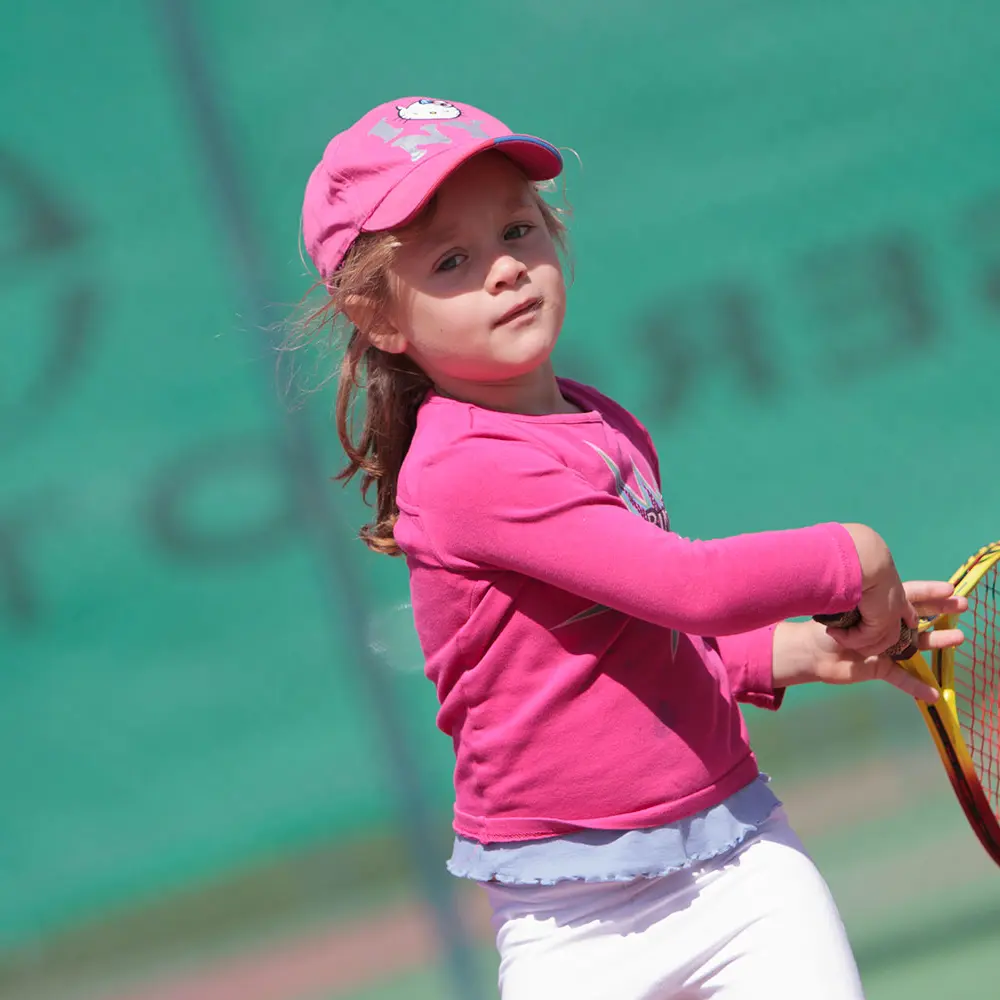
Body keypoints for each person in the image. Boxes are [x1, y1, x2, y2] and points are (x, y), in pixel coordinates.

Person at [297, 96, 967, 999]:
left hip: (742, 866)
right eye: (452, 259)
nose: (505, 270)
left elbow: (637, 632)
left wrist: (792, 649)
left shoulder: (600, 422)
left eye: (519, 231)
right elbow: (685, 587)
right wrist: (855, 555)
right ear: (377, 317)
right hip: (571, 926)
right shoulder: (462, 469)